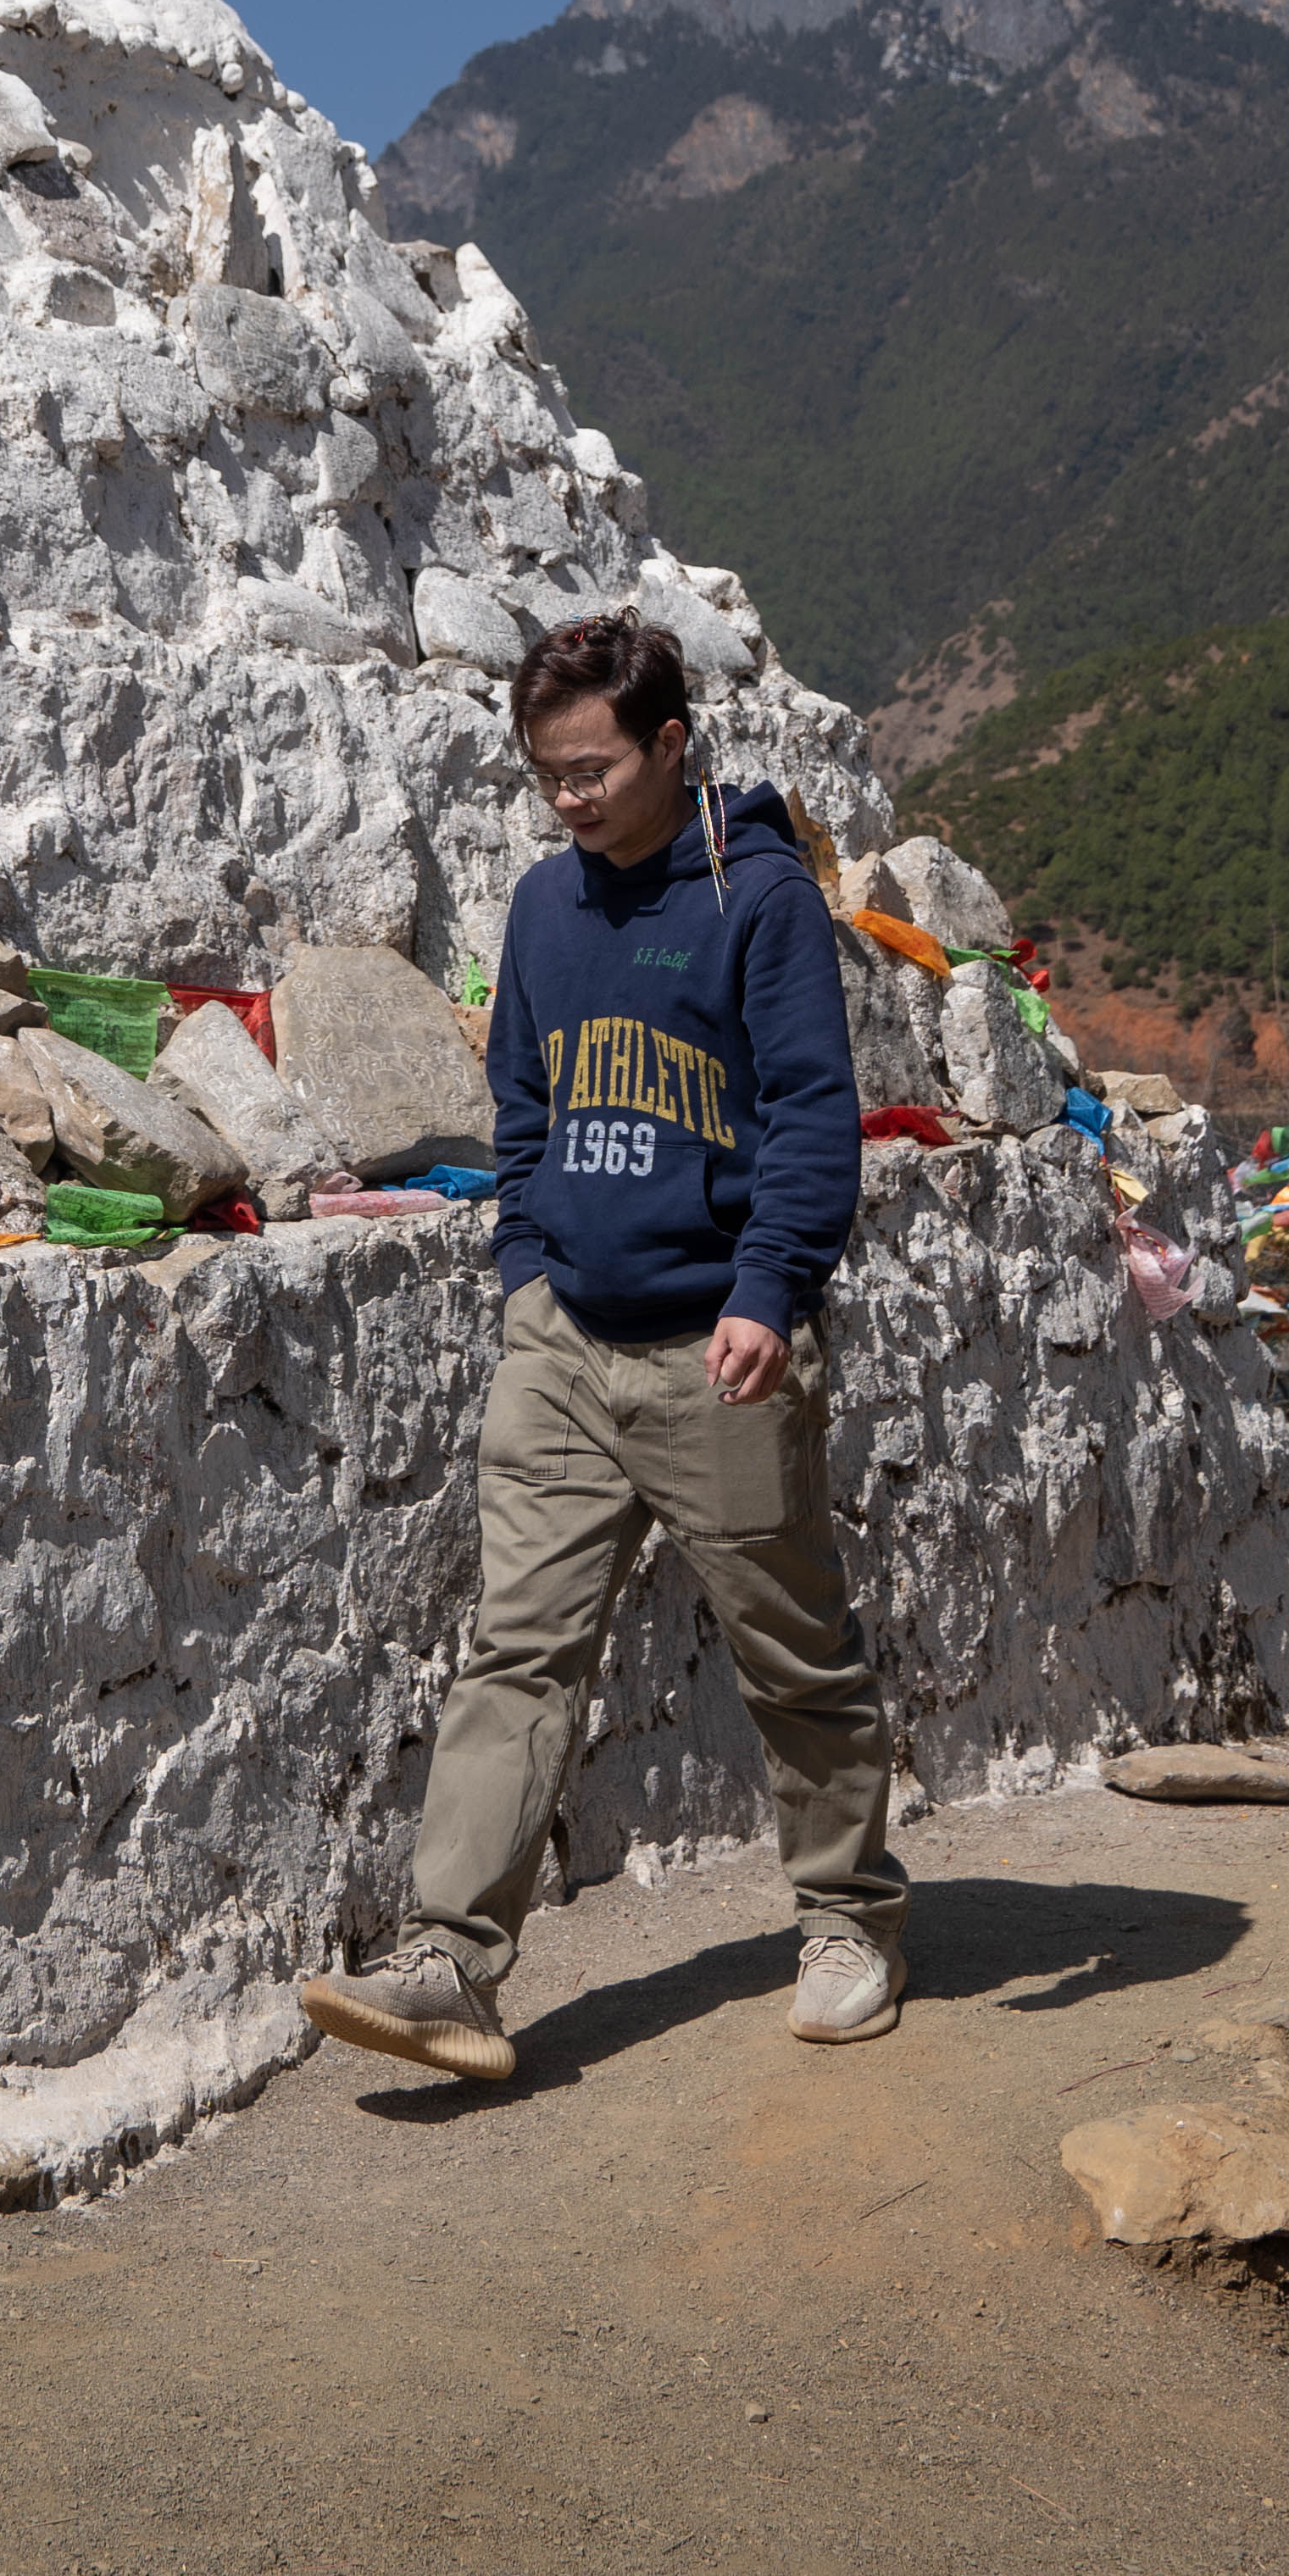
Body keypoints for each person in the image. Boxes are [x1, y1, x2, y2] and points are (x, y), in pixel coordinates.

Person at [298, 608, 907, 2084]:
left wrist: (772, 1289)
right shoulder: (544, 910)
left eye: (590, 770)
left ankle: (849, 1918)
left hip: (721, 1348)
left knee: (793, 1657)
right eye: (546, 774)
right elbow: (522, 1109)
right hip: (563, 1342)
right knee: (519, 1650)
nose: (568, 798)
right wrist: (526, 1275)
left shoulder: (758, 902)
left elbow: (816, 1114)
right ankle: (452, 1959)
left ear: (671, 746)